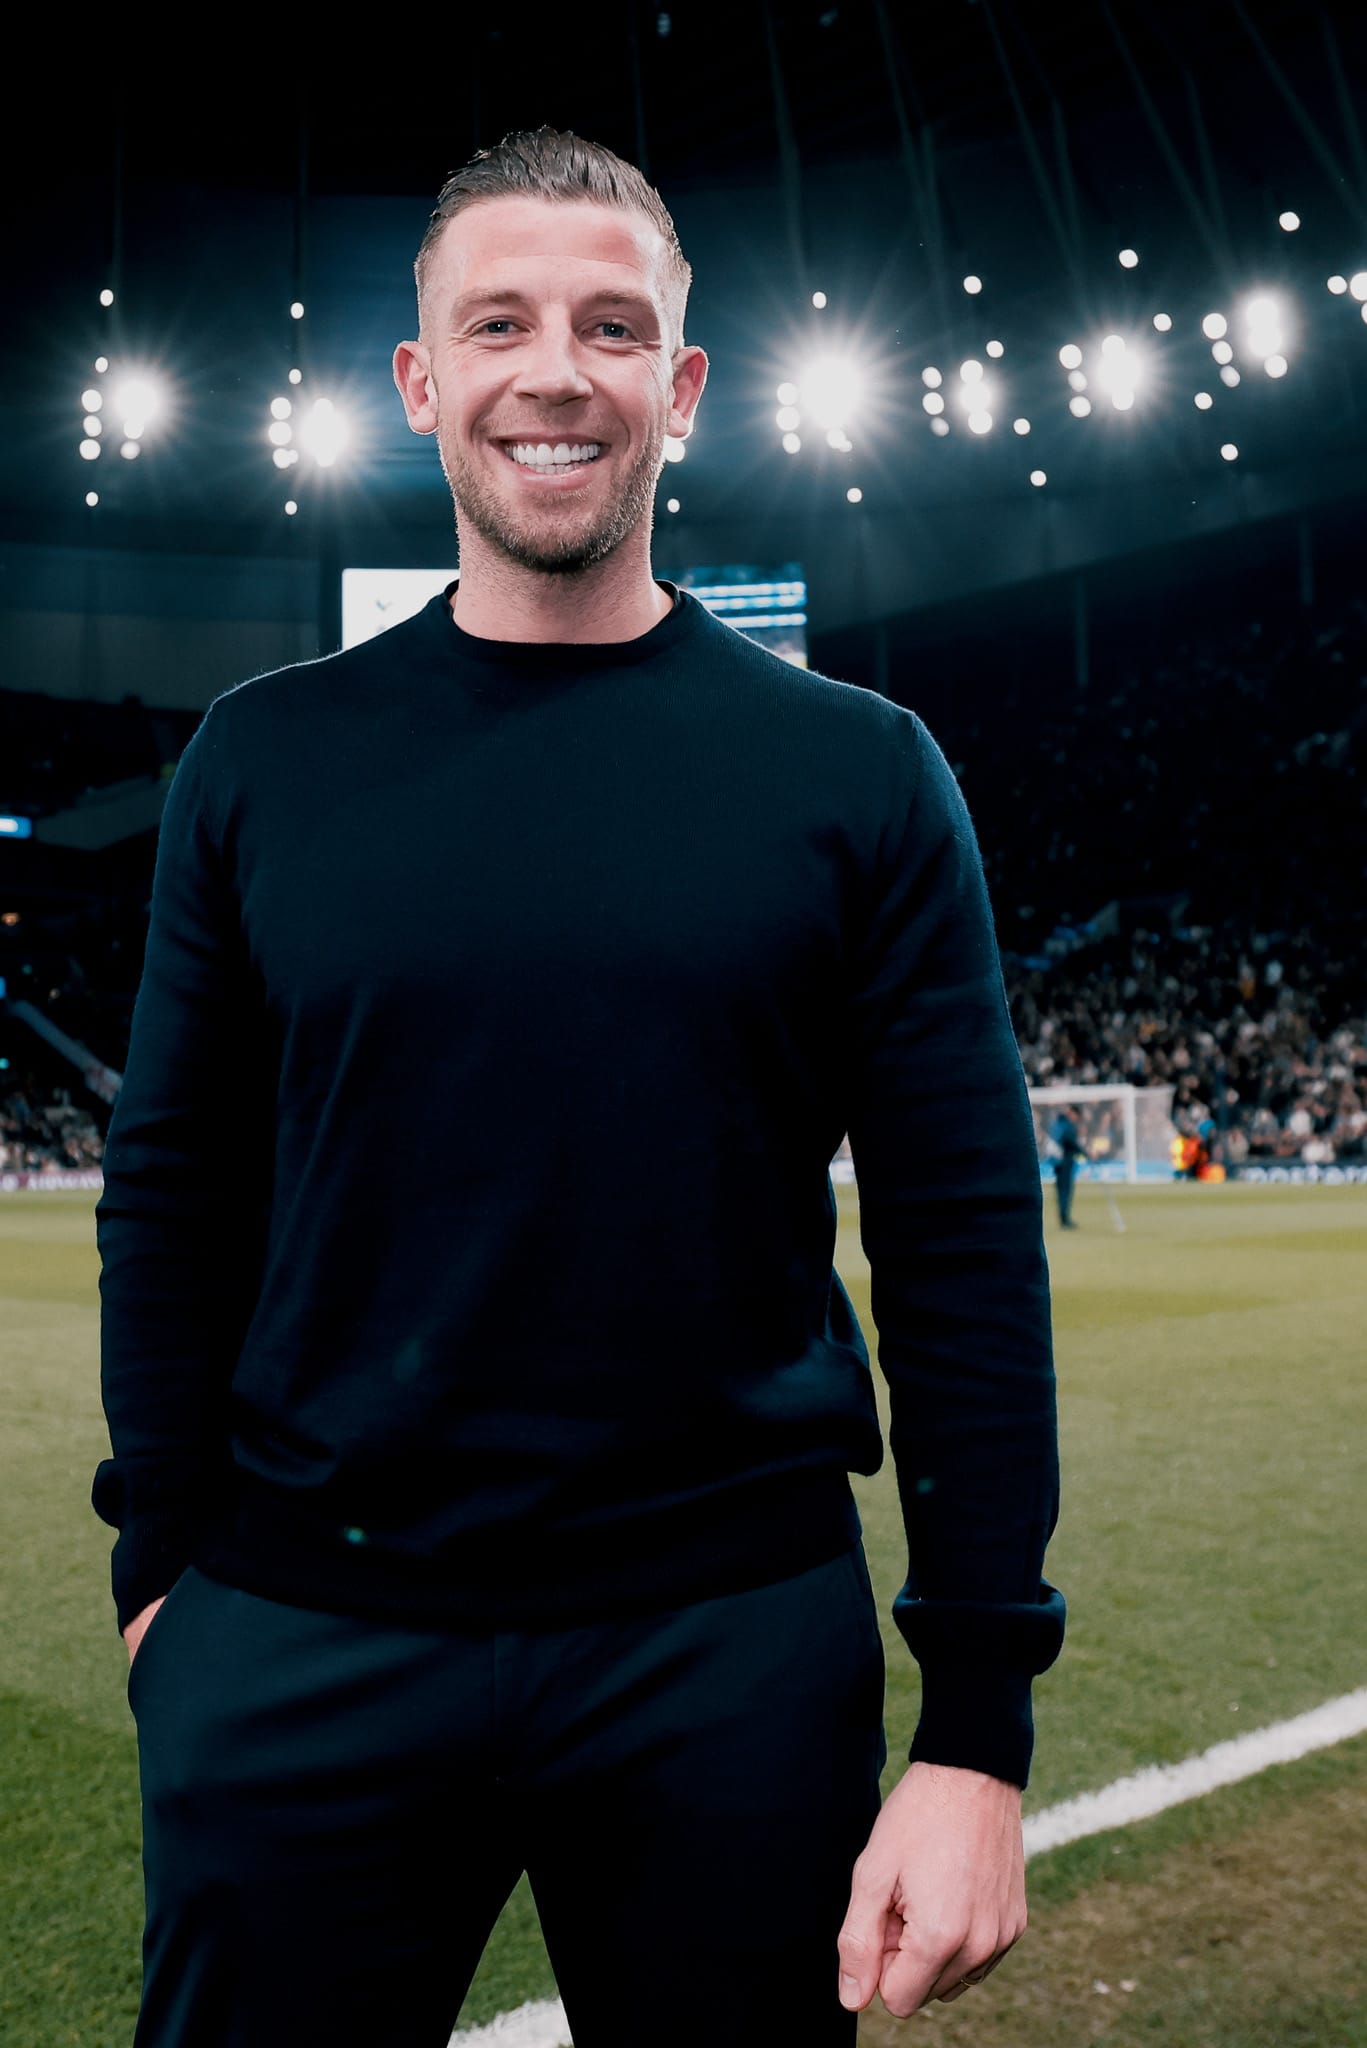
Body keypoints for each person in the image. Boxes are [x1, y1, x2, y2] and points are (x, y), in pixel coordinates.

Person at [93, 127, 1064, 2048]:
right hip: (302, 1635)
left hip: (728, 1649)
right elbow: (171, 1184)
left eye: (611, 326)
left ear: (679, 388)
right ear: (422, 380)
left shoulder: (858, 773)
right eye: (500, 321)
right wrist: (163, 1587)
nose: (556, 368)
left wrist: (974, 1731)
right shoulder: (258, 763)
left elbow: (957, 1241)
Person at [1047, 1106, 1085, 1228]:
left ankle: (1063, 1218)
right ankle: (1065, 1219)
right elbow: (1071, 1143)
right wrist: (1086, 1153)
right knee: (1065, 1191)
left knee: (1060, 1190)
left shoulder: (1058, 1123)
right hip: (1065, 1162)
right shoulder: (1068, 1125)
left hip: (1056, 1162)